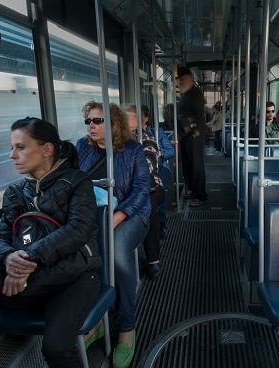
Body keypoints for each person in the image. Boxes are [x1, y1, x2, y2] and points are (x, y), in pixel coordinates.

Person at [0, 117, 100, 368]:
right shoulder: (15, 193)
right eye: (12, 147)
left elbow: (78, 230)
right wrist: (7, 259)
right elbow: (4, 236)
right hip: (32, 276)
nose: (12, 155)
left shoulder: (77, 183)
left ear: (46, 149)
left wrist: (27, 258)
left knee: (56, 347)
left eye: (20, 147)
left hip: (75, 275)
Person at [77, 101, 151, 368]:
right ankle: (96, 319)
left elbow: (143, 189)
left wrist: (118, 216)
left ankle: (126, 327)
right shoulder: (82, 148)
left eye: (98, 121)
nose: (92, 126)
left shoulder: (132, 150)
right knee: (81, 255)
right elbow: (73, 182)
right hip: (93, 215)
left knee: (118, 251)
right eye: (89, 121)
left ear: (114, 124)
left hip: (131, 213)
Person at [128, 105, 164, 280]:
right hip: (126, 187)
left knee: (147, 207)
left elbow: (147, 165)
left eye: (132, 117)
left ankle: (153, 260)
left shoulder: (147, 139)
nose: (128, 120)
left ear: (143, 119)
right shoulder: (115, 140)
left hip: (152, 186)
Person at [177, 66, 208, 207]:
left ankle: (201, 195)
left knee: (196, 166)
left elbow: (197, 114)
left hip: (193, 135)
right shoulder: (187, 94)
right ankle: (194, 191)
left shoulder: (195, 94)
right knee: (188, 165)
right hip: (186, 135)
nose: (180, 83)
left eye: (182, 80)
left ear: (189, 80)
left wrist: (193, 129)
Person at [145, 105, 175, 239]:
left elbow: (170, 152)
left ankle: (161, 222)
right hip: (143, 171)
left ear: (146, 118)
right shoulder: (126, 136)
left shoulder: (157, 132)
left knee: (158, 185)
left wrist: (159, 152)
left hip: (160, 168)